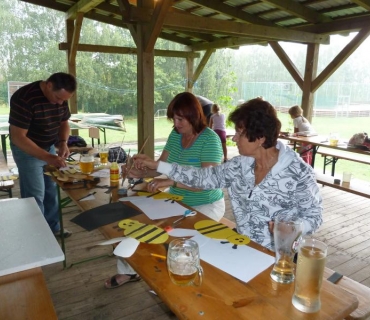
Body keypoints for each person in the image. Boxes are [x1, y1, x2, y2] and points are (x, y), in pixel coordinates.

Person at [134, 98, 323, 251]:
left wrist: (295, 227)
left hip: (280, 257)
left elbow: (314, 216)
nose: (234, 138)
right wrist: (158, 165)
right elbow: (203, 177)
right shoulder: (239, 166)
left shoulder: (298, 172)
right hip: (244, 246)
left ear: (260, 138)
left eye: (239, 133)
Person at [104, 91, 225, 289]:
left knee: (175, 239)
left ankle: (177, 282)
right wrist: (138, 172)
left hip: (206, 202)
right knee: (139, 225)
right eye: (174, 119)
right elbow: (161, 166)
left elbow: (207, 182)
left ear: (194, 116)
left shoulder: (209, 140)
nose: (176, 124)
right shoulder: (175, 135)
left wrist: (171, 183)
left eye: (180, 119)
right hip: (178, 199)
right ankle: (128, 271)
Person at [9, 72, 77, 238]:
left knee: (51, 190)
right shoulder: (24, 98)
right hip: (27, 149)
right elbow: (18, 137)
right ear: (48, 85)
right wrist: (48, 157)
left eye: (64, 100)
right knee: (35, 195)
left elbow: (64, 122)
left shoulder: (61, 97)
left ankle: (53, 227)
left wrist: (62, 142)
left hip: (49, 147)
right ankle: (36, 235)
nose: (60, 103)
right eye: (58, 98)